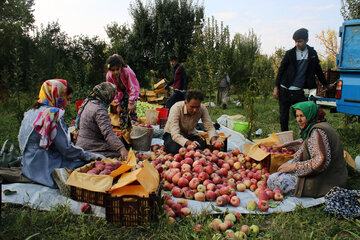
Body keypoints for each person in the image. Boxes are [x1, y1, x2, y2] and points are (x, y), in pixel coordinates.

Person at [18, 79, 101, 188]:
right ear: (57, 96)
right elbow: (66, 149)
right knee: (80, 165)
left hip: (28, 164)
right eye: (67, 99)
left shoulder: (31, 111)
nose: (68, 104)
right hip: (43, 164)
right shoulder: (52, 115)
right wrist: (90, 156)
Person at [267, 101, 348, 198]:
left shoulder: (318, 132)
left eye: (302, 116)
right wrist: (285, 145)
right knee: (286, 165)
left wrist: (294, 167)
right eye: (297, 116)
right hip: (333, 175)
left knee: (273, 180)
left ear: (310, 115)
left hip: (325, 180)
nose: (299, 120)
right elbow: (306, 143)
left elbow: (321, 162)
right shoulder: (320, 125)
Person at [273, 28, 330, 131]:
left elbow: (318, 70)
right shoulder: (290, 53)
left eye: (300, 41)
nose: (297, 44)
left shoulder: (312, 53)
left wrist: (325, 84)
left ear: (306, 40)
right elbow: (281, 70)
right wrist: (276, 87)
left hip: (299, 91)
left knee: (304, 116)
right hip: (285, 89)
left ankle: (305, 138)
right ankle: (285, 138)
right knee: (283, 117)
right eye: (295, 41)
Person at [75, 82, 128, 160]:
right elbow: (108, 132)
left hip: (82, 143)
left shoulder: (89, 103)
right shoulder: (100, 110)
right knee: (120, 154)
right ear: (107, 96)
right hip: (91, 146)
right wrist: (122, 148)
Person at [163, 89, 219, 155]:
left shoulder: (202, 108)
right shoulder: (176, 108)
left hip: (189, 134)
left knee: (200, 149)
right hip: (172, 135)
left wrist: (214, 141)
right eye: (192, 107)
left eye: (197, 107)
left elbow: (209, 127)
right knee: (174, 150)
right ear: (185, 103)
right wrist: (189, 143)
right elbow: (175, 134)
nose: (195, 110)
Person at [105, 54, 140, 130]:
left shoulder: (127, 72)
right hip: (120, 93)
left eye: (117, 69)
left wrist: (131, 102)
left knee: (131, 111)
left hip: (131, 91)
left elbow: (133, 87)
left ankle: (136, 130)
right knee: (121, 113)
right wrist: (118, 104)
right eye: (113, 70)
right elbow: (113, 91)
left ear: (121, 67)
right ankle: (124, 131)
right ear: (109, 69)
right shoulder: (109, 76)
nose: (115, 72)